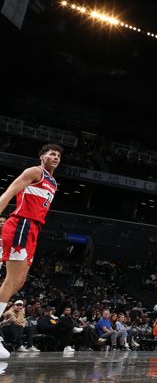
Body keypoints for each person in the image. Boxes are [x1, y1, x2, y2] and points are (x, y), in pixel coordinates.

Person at [0, 143, 62, 358]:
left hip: (33, 228)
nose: (55, 157)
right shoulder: (35, 172)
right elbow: (9, 192)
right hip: (21, 225)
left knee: (18, 282)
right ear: (42, 156)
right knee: (11, 281)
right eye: (51, 153)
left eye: (58, 155)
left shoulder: (53, 182)